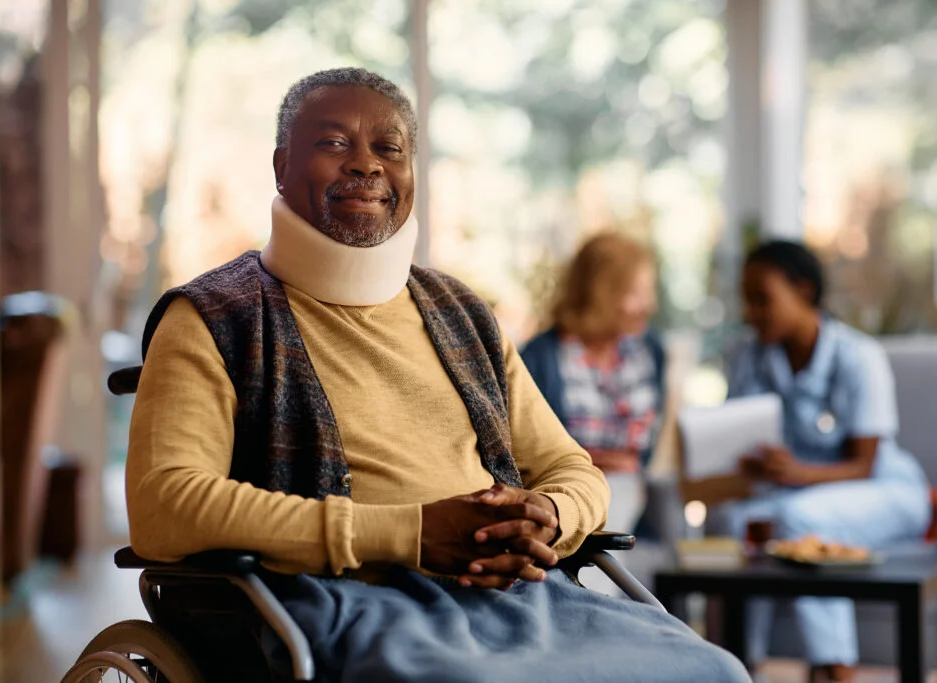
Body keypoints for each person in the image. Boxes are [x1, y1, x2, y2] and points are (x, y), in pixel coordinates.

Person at [125, 67, 747, 683]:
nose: (367, 165)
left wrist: (548, 516)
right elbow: (166, 506)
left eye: (389, 148)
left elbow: (573, 468)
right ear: (281, 165)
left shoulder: (463, 313)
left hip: (516, 596)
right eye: (334, 143)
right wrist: (412, 533)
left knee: (714, 671)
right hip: (337, 602)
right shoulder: (214, 316)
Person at [726, 240, 931, 683]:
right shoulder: (749, 356)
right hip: (795, 493)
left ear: (803, 291)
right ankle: (738, 666)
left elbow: (865, 463)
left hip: (885, 492)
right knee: (735, 521)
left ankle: (834, 669)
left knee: (801, 516)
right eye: (746, 300)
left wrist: (797, 473)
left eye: (762, 299)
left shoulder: (859, 356)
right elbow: (736, 432)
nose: (751, 312)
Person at [520, 234, 665, 538]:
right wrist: (599, 462)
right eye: (636, 293)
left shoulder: (648, 350)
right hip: (569, 495)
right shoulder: (541, 358)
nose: (648, 305)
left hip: (635, 494)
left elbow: (648, 448)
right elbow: (530, 451)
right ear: (602, 293)